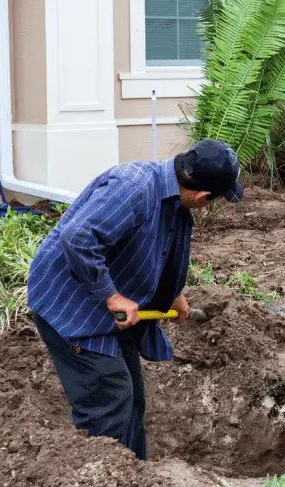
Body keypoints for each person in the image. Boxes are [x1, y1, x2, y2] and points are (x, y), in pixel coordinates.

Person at [26, 139, 244, 460]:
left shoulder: (172, 201)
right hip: (72, 306)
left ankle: (135, 479)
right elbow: (78, 238)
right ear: (202, 195)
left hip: (105, 309)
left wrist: (173, 295)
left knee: (133, 396)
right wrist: (112, 297)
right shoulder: (136, 187)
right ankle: (98, 485)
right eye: (216, 199)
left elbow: (155, 248)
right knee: (109, 400)